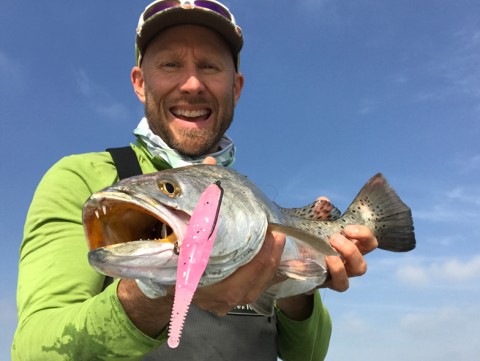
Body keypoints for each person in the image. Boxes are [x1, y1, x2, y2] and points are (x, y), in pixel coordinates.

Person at [12, 1, 378, 360]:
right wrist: (163, 288)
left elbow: (307, 355)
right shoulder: (83, 178)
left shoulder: (247, 203)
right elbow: (33, 350)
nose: (191, 84)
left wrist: (296, 281)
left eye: (209, 66)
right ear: (140, 83)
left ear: (235, 88)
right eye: (171, 64)